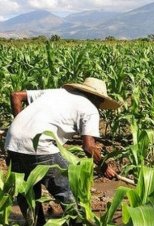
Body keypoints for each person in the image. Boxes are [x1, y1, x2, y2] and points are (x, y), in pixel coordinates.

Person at [4, 77, 121, 225]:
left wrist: (22, 126)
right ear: (98, 98)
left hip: (12, 142)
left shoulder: (57, 92)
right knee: (70, 192)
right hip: (40, 146)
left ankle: (34, 223)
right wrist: (104, 166)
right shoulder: (90, 108)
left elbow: (16, 95)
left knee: (27, 193)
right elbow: (89, 147)